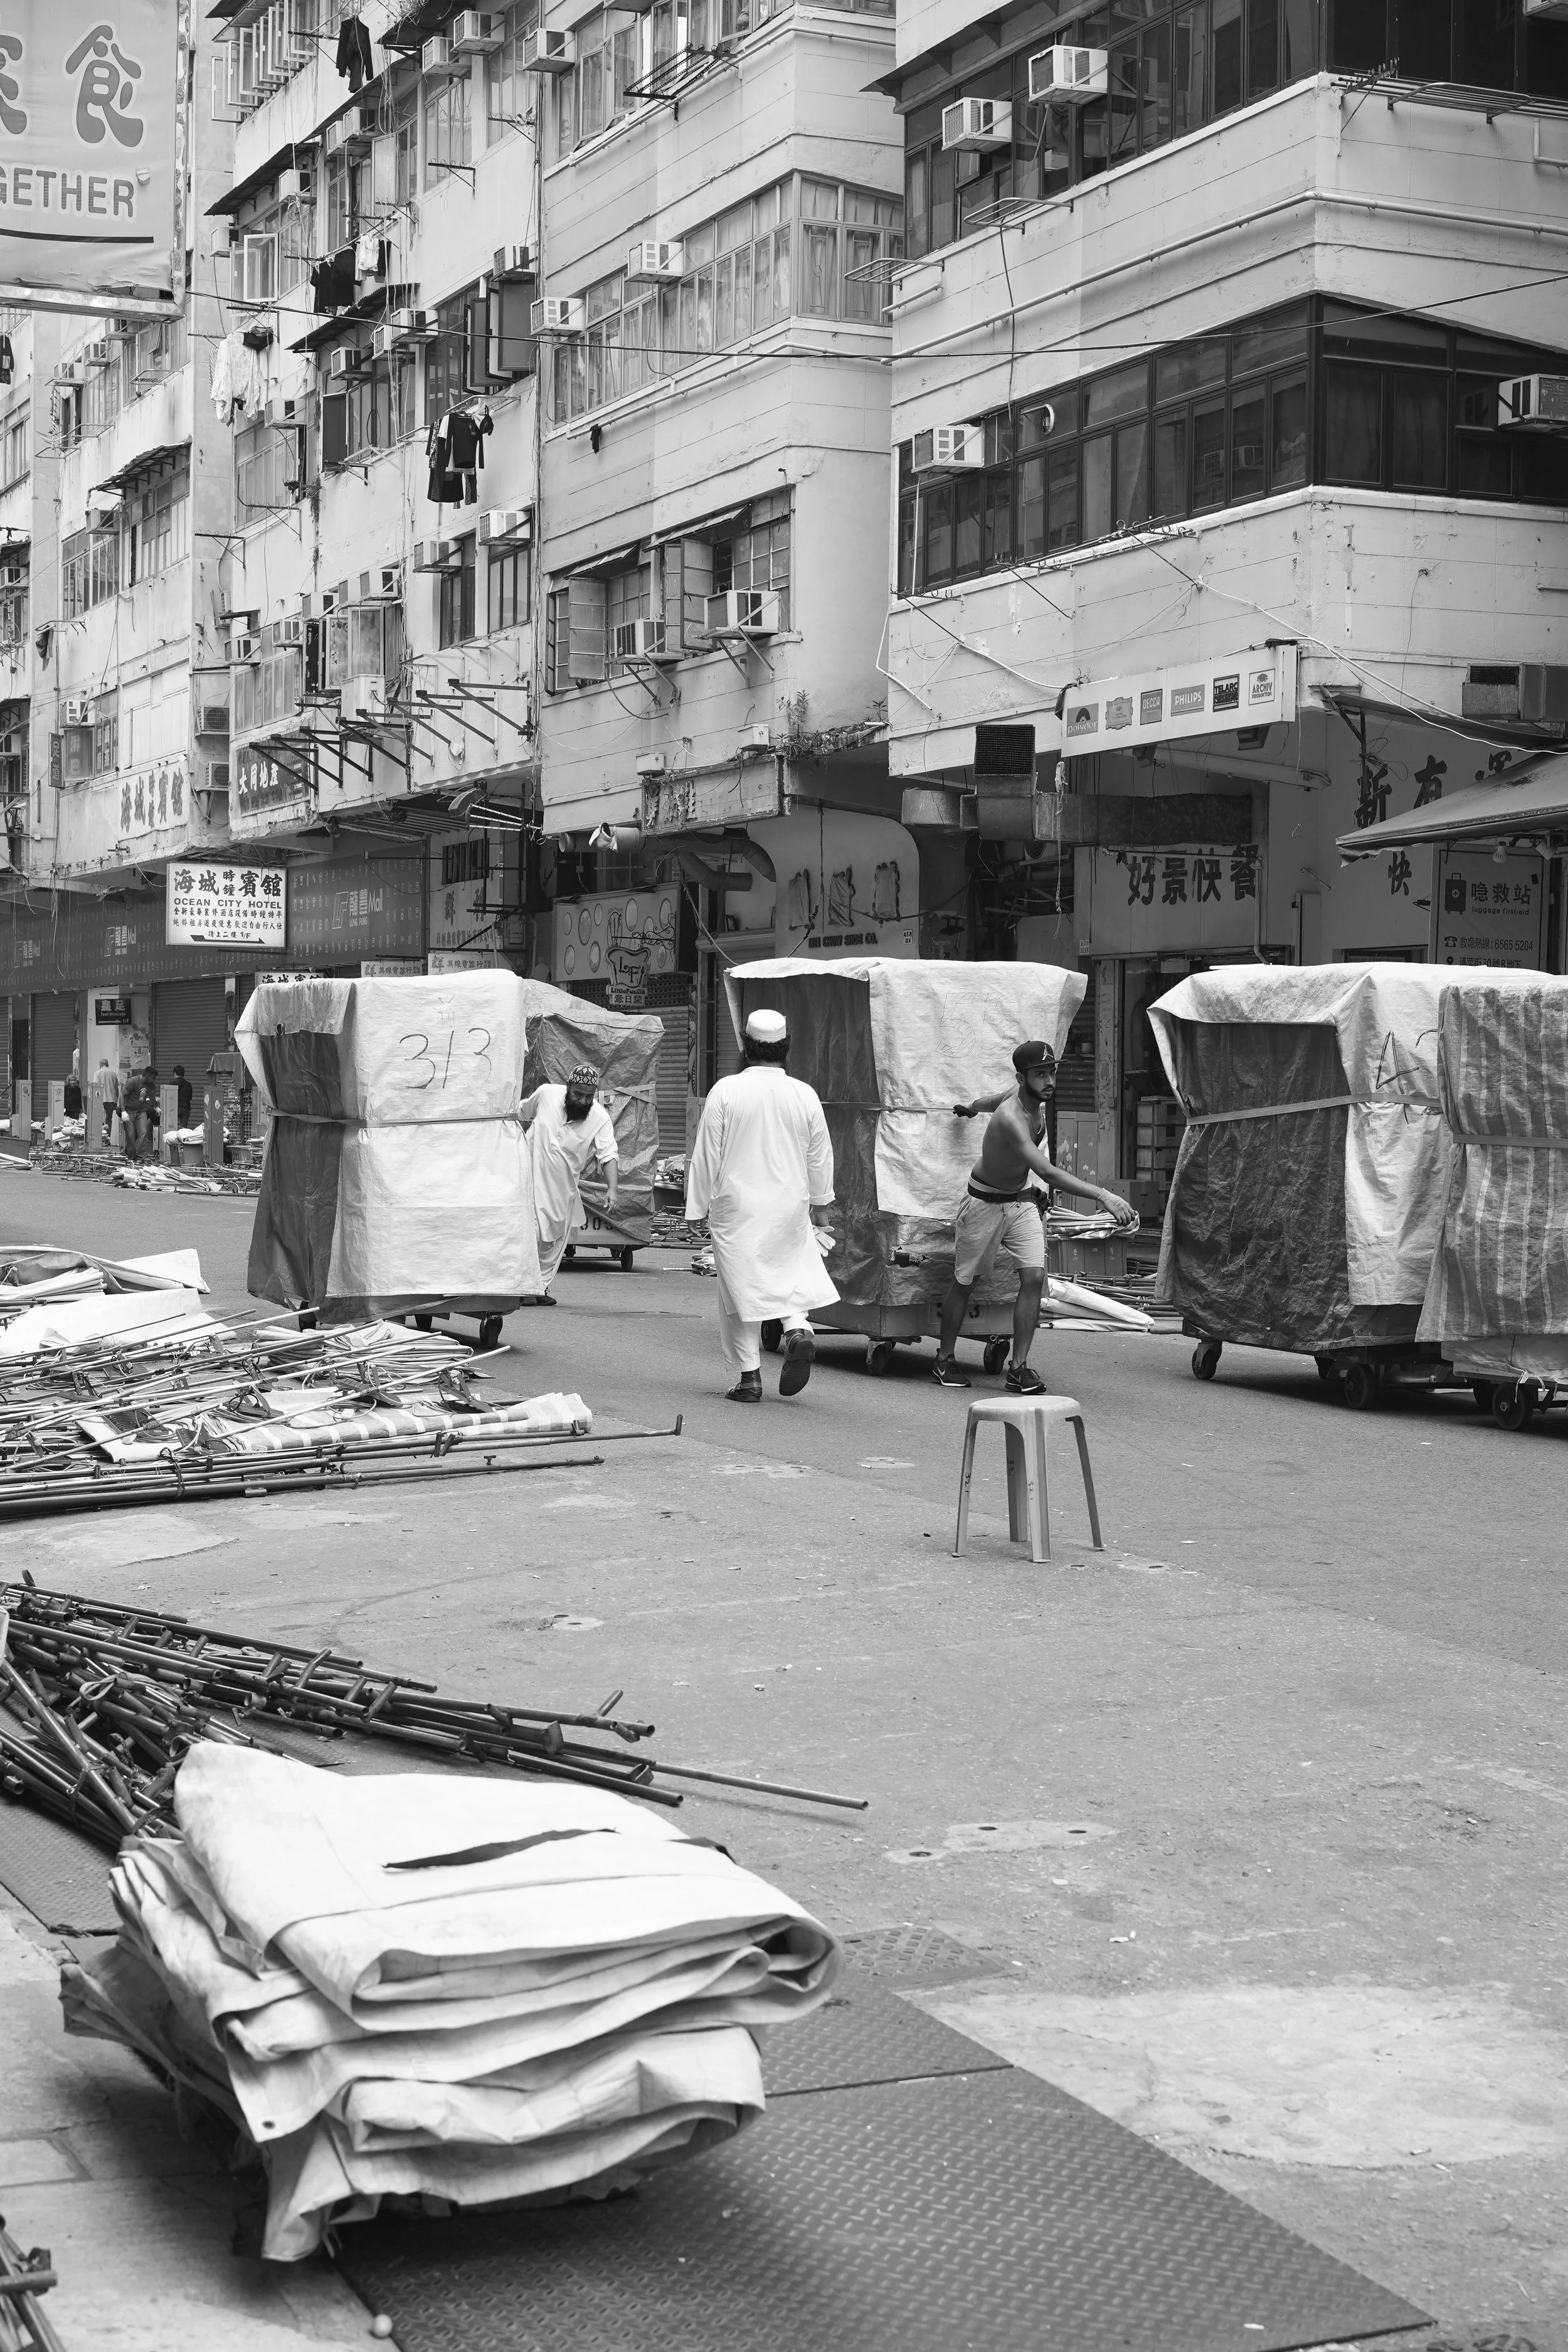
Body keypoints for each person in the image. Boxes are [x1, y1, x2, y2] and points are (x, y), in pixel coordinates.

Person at [932, 1039, 1135, 1394]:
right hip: (984, 1203)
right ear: (1022, 1077)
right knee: (966, 1283)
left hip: (1020, 1201)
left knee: (1034, 1278)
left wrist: (970, 1107)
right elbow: (1048, 1171)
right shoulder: (1012, 1118)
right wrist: (1104, 1195)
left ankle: (1019, 1368)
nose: (1049, 1080)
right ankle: (944, 1359)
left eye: (1052, 1072)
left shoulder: (1028, 1097)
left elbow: (989, 1100)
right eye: (1040, 1074)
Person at [685, 1006, 837, 1402]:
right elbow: (821, 1155)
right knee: (785, 1275)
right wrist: (821, 1204)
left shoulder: (726, 1091)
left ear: (746, 1047)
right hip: (789, 1206)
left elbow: (706, 1156)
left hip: (737, 1208)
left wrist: (695, 1209)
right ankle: (797, 1329)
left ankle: (750, 1377)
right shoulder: (805, 1094)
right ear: (786, 1047)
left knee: (739, 1289)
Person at [519, 1062, 620, 1300]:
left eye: (588, 1096)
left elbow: (608, 1154)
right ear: (567, 1087)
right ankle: (520, 1287)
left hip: (561, 1191)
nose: (583, 1102)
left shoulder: (599, 1117)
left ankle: (539, 1288)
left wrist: (612, 1190)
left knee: (552, 1243)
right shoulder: (546, 1094)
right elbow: (520, 1112)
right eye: (578, 1094)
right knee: (528, 1234)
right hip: (527, 1180)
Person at [172, 1062, 193, 1129]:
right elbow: (190, 1097)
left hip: (174, 1109)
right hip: (186, 1109)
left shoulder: (172, 1083)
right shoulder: (188, 1084)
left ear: (175, 1073)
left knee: (172, 1127)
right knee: (184, 1129)